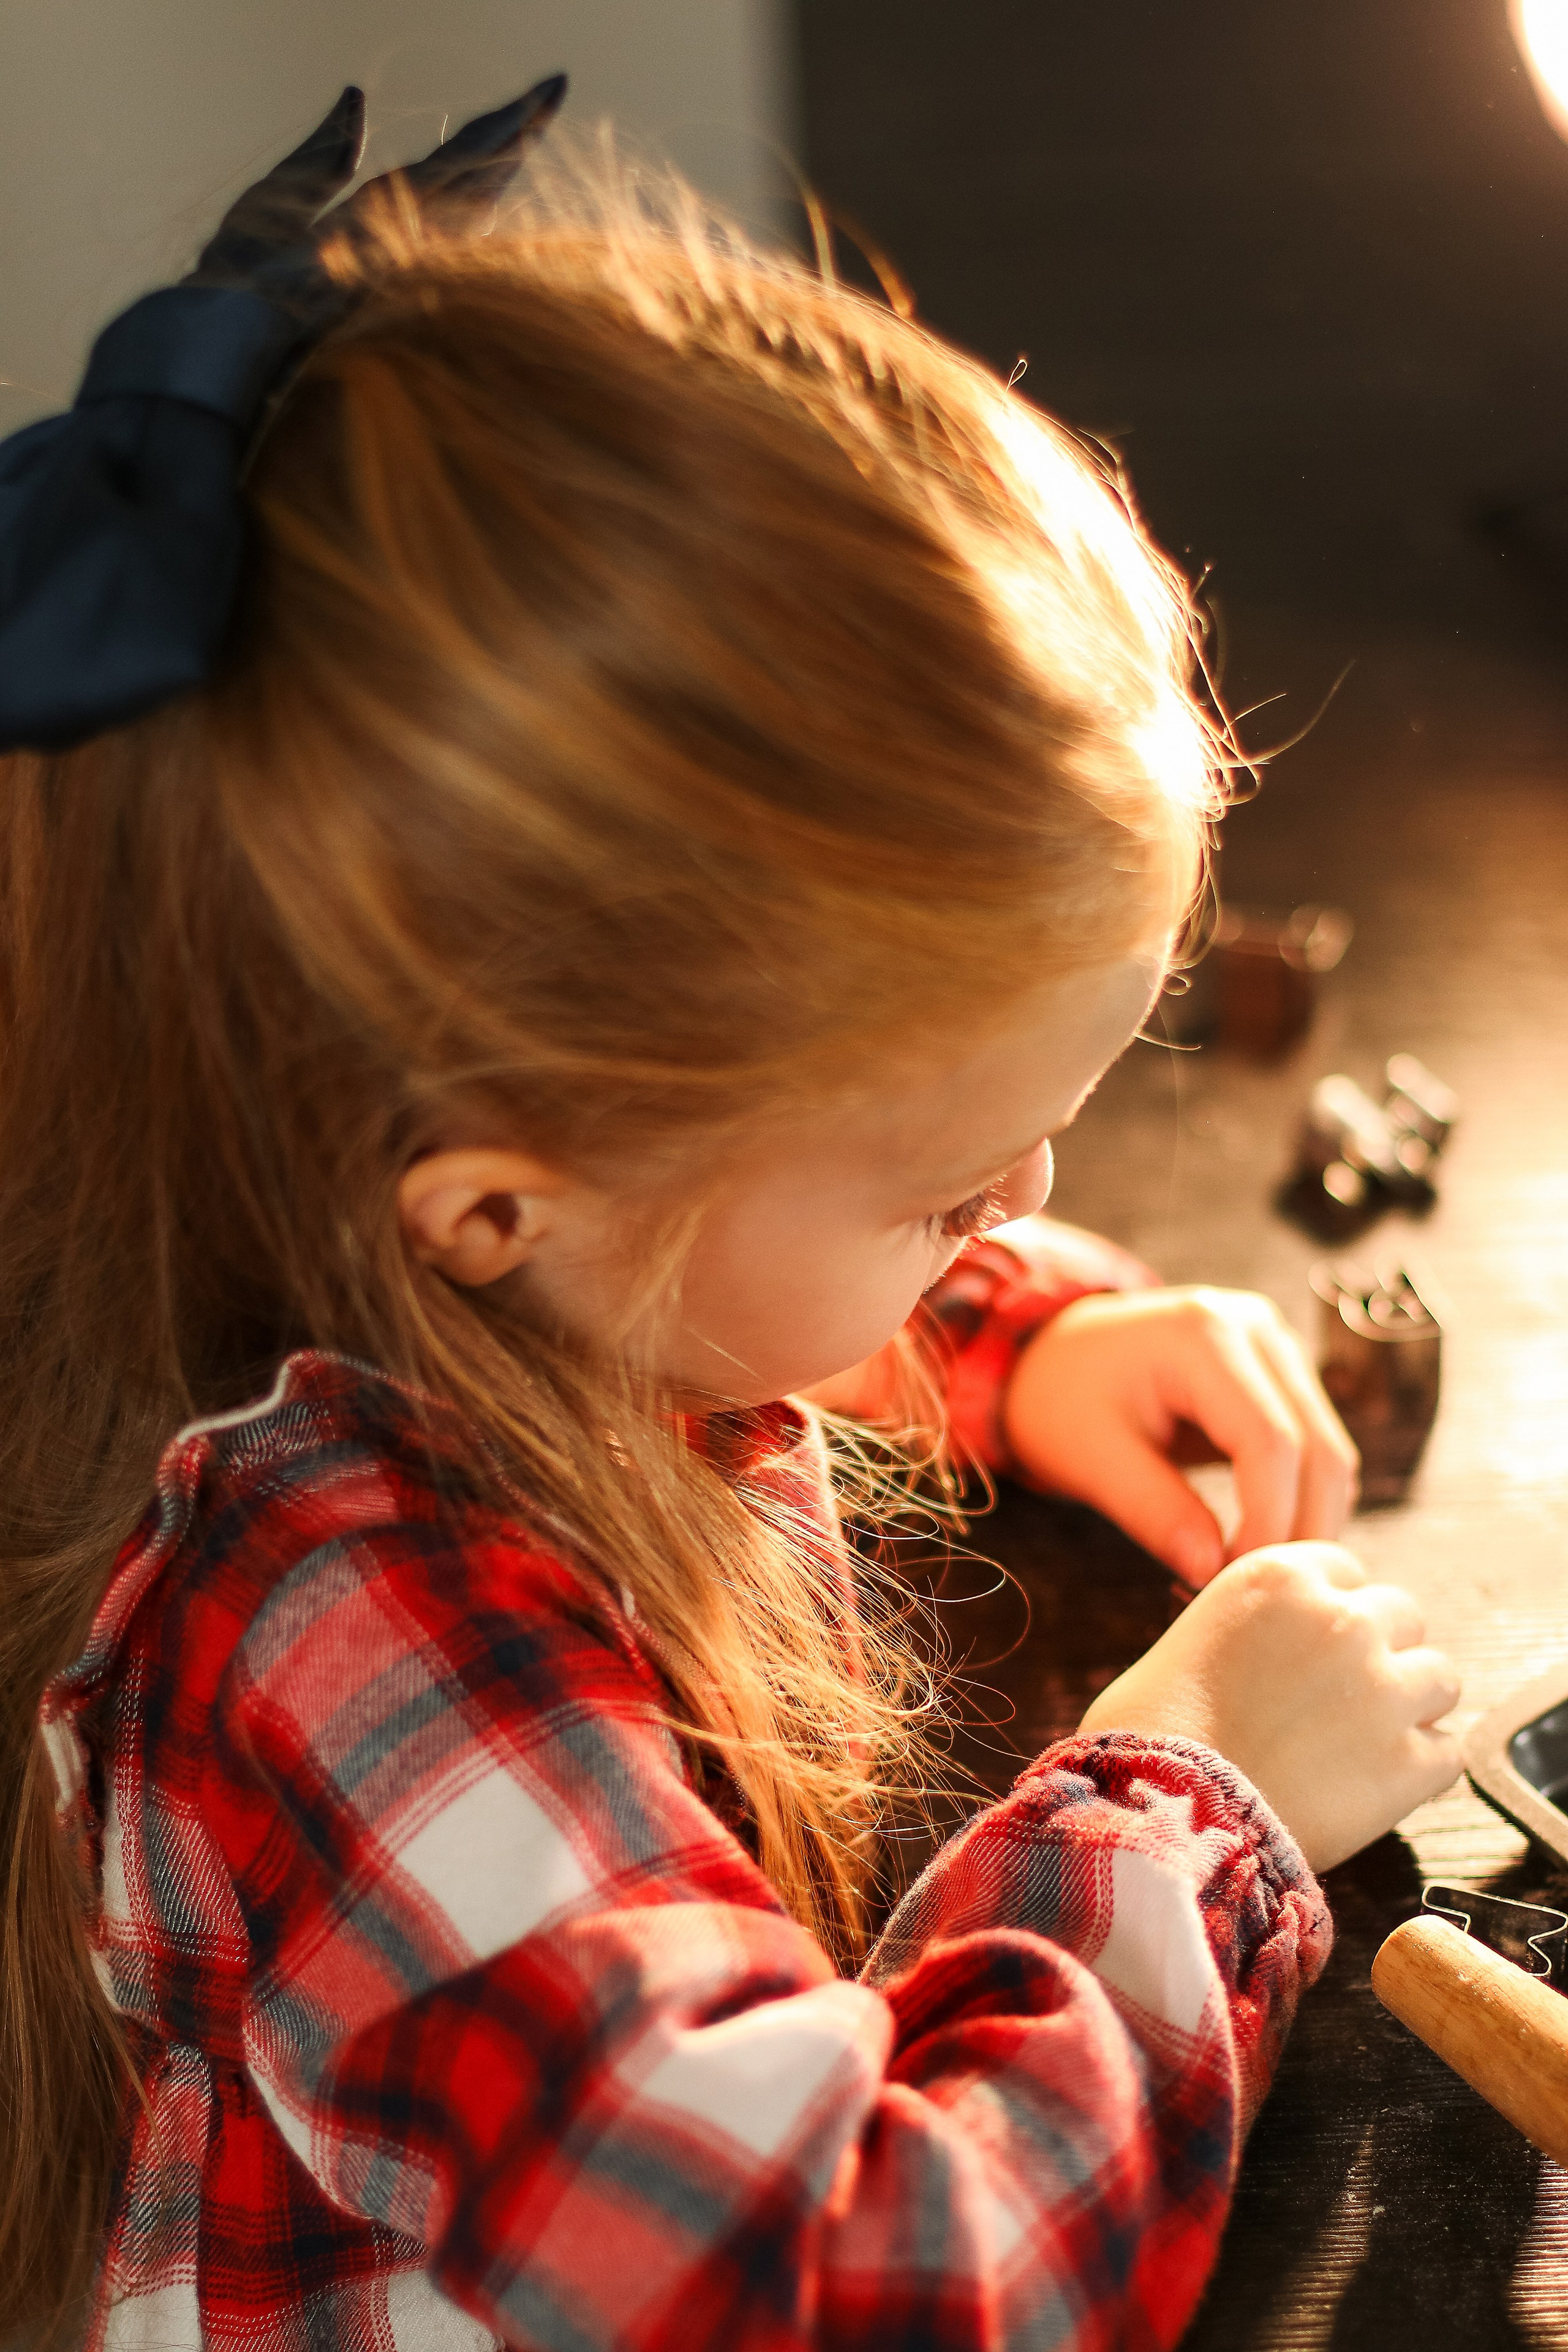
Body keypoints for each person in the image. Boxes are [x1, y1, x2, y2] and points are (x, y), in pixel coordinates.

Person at [0, 83, 1460, 2352]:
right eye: (946, 1182)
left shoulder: (442, 1233)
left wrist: (1021, 1339)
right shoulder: (340, 1635)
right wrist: (1198, 1796)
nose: (1030, 1200)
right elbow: (854, 2289)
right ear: (501, 1197)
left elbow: (695, 1293)